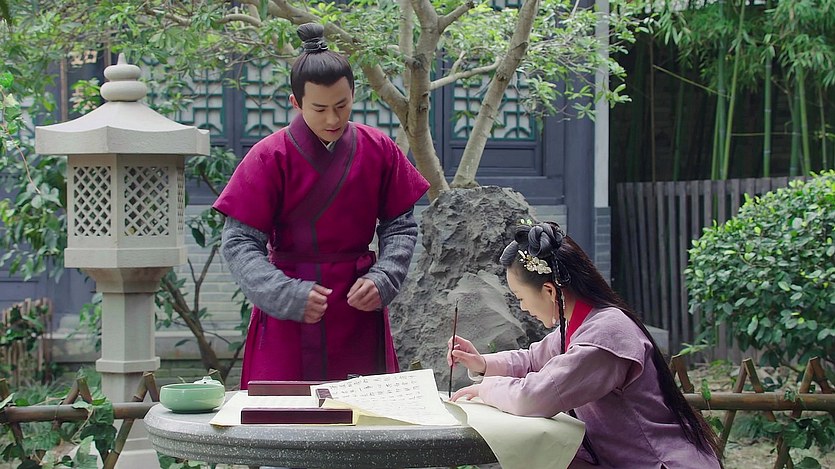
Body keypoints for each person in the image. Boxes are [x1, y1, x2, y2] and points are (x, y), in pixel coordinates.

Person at [213, 22, 429, 387]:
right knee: (284, 414)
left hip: (357, 302)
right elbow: (239, 243)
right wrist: (284, 293)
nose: (333, 119)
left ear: (353, 94)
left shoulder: (379, 149)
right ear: (296, 103)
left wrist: (385, 277)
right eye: (320, 108)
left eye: (342, 105)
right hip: (291, 308)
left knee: (362, 413)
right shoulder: (268, 157)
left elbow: (400, 225)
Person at [448, 222, 722, 469]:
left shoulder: (604, 336)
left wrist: (486, 389)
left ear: (549, 290)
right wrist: (483, 363)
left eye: (520, 297)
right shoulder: (583, 323)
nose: (523, 307)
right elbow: (533, 360)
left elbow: (535, 396)